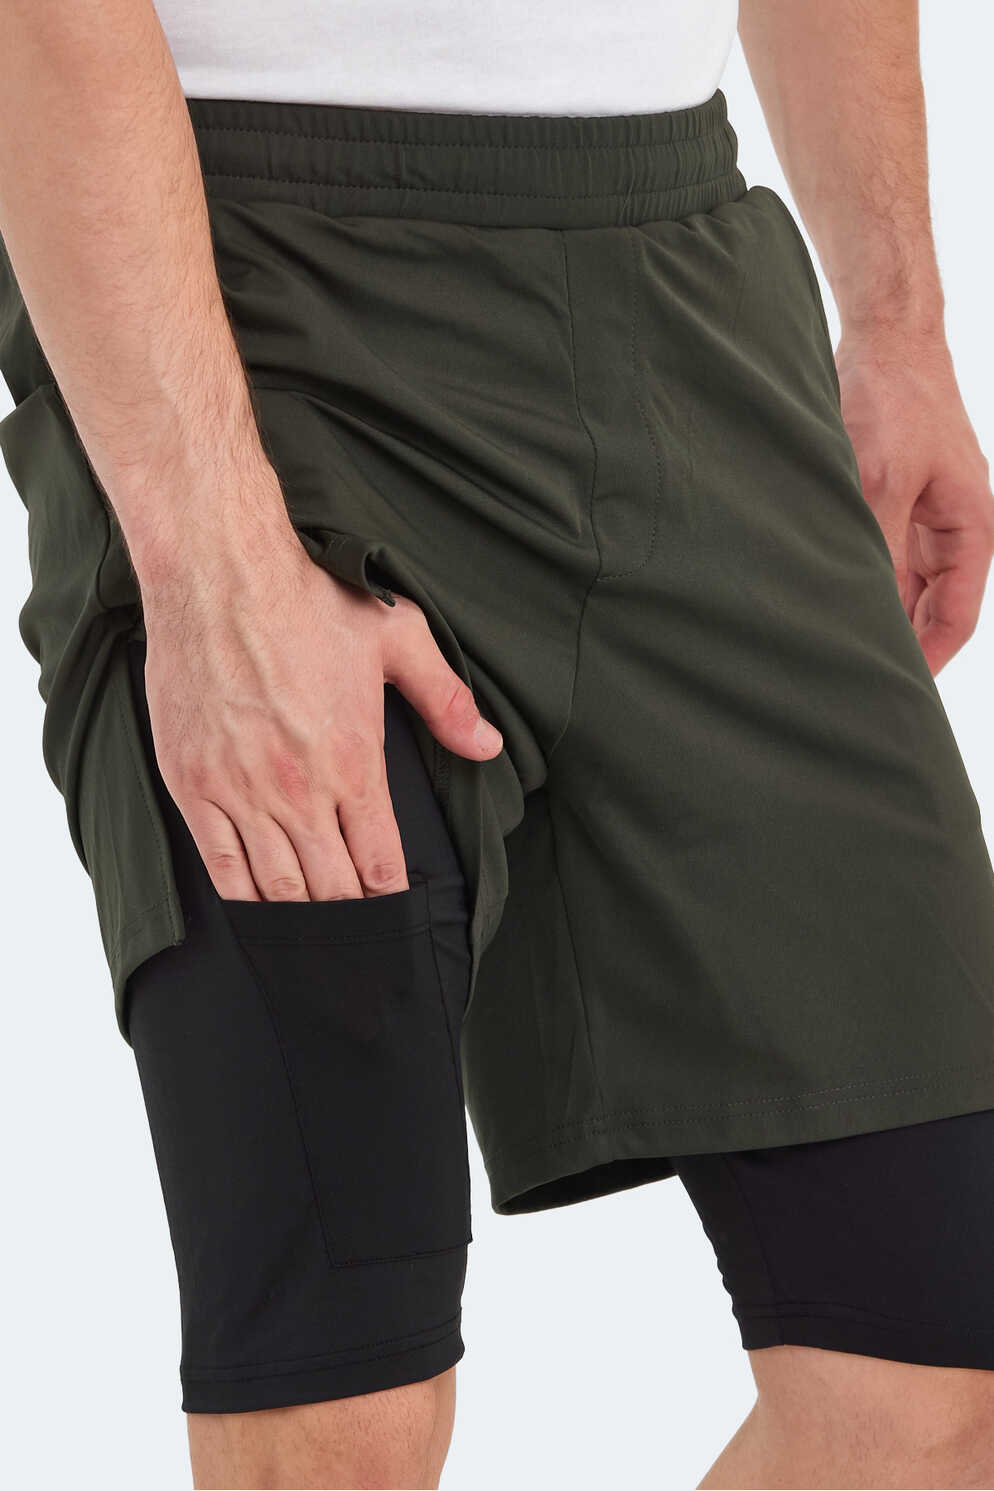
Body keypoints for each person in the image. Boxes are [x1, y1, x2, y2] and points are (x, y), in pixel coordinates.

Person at [2, 0, 994, 1486]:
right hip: (241, 300)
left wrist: (899, 323)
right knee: (340, 1412)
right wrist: (217, 578)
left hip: (691, 291)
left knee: (933, 1374)